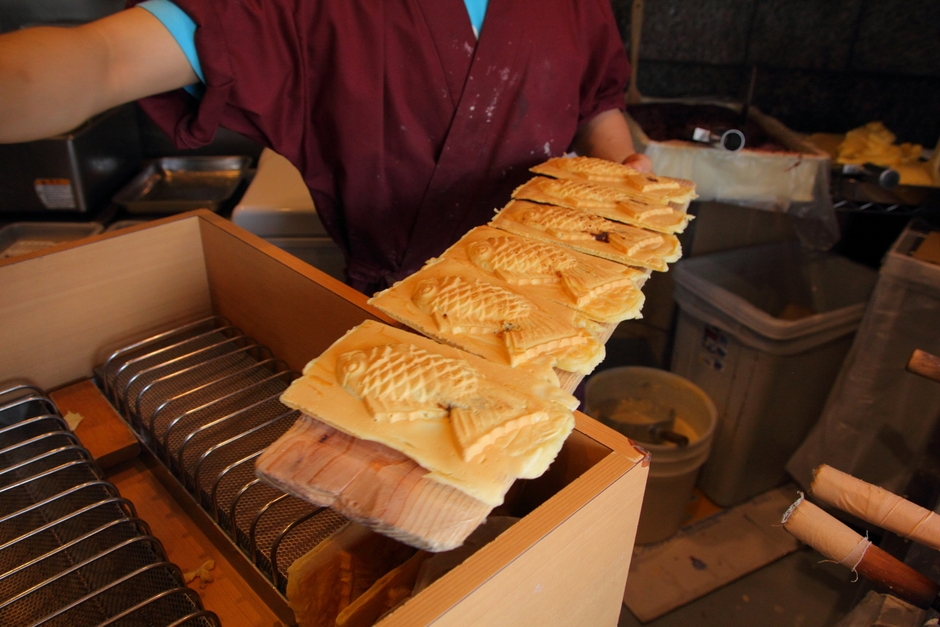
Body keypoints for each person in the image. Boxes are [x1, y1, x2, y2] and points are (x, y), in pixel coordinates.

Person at [0, 0, 651, 294]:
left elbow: (596, 98)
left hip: (557, 321)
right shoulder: (310, 10)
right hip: (397, 330)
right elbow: (105, 59)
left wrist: (621, 174)